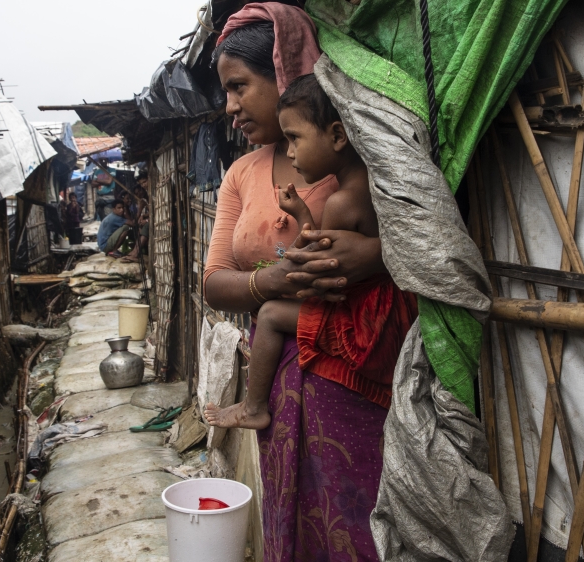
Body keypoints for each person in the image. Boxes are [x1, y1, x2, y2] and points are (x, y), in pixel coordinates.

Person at [202, 5, 407, 560]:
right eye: (227, 92)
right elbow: (213, 282)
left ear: (282, 71)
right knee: (294, 522)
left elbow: (425, 232)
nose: (231, 106)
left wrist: (374, 256)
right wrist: (269, 280)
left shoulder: (354, 155)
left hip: (354, 367)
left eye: (240, 87)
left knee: (358, 515)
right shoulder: (242, 174)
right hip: (278, 373)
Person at [204, 74, 416, 430]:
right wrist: (302, 213)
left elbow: (320, 273)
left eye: (295, 139)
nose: (290, 151)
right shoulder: (376, 181)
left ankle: (253, 407)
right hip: (387, 313)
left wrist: (286, 277)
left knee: (271, 313)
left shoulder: (340, 201)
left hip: (361, 322)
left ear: (336, 136)